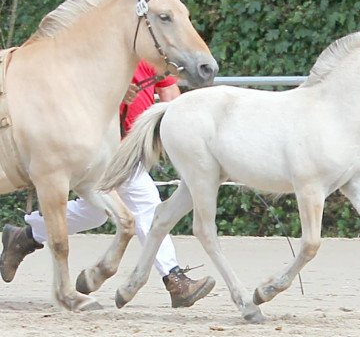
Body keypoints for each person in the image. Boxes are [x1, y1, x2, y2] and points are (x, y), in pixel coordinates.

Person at [0, 60, 215, 308]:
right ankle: (174, 279)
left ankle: (25, 235)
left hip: (134, 149)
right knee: (147, 204)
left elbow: (169, 93)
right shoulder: (103, 57)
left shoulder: (151, 60)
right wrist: (116, 95)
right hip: (108, 148)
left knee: (94, 213)